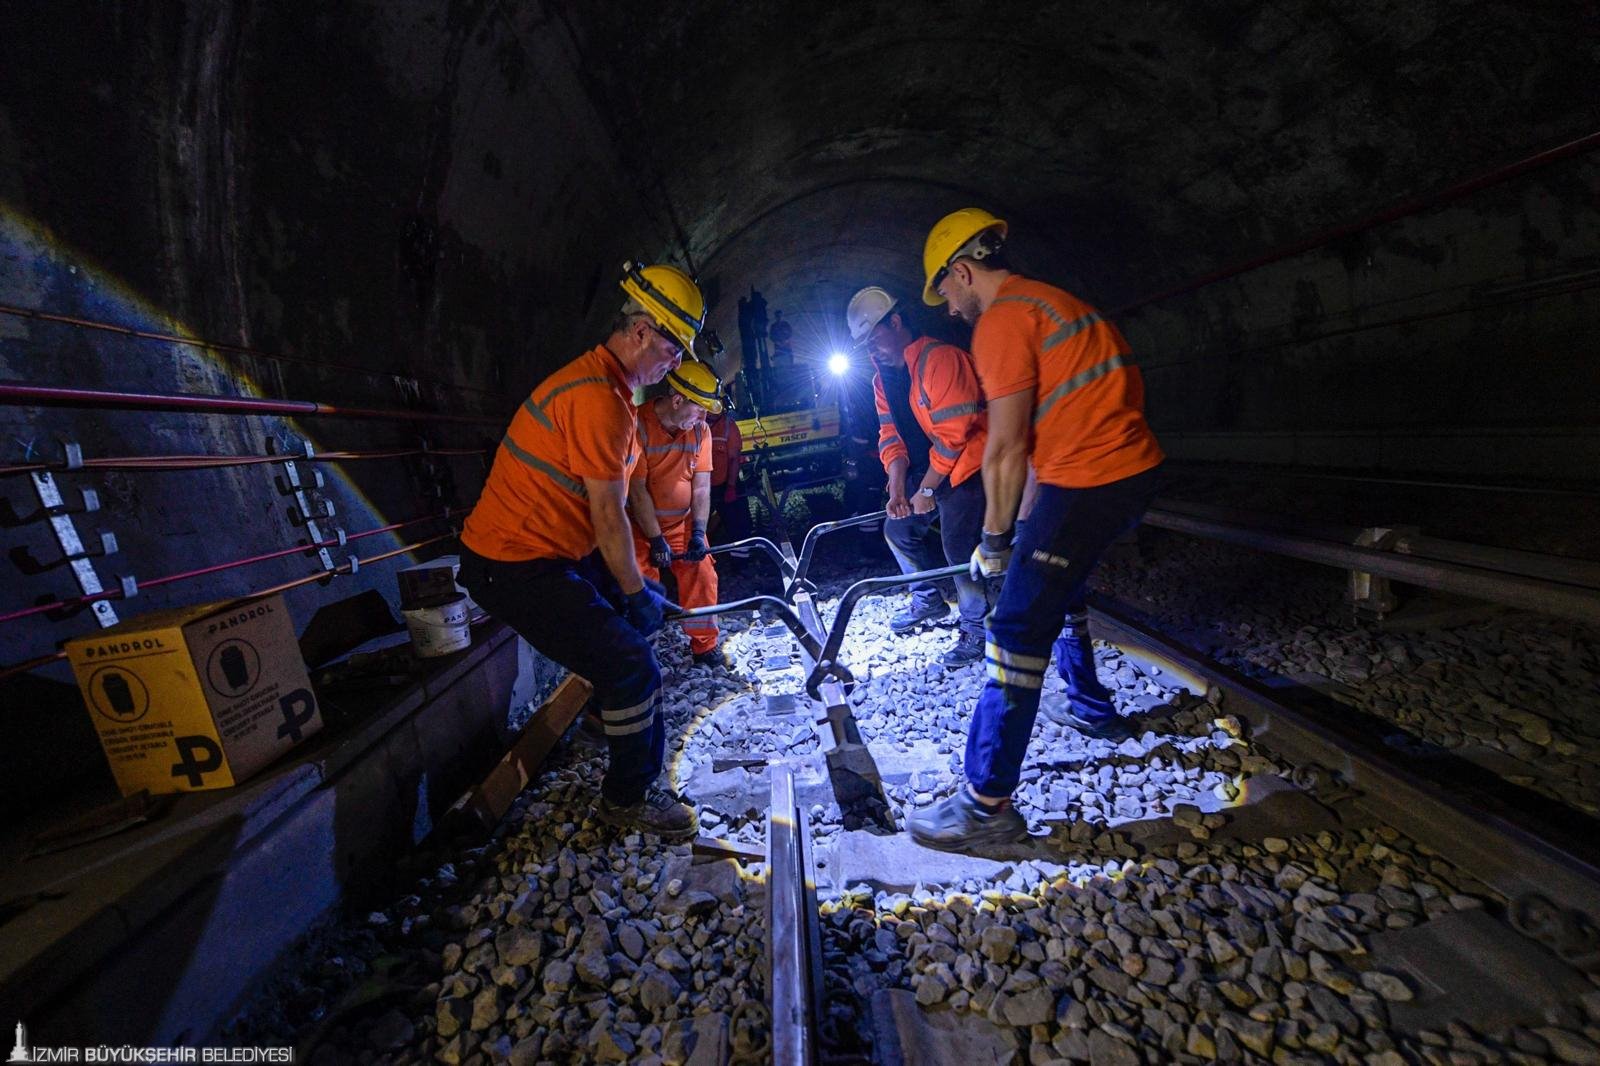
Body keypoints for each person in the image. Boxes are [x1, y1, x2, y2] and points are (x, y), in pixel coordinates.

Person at [905, 209, 1165, 850]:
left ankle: (985, 803)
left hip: (1087, 481)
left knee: (1016, 627)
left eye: (947, 293)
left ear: (963, 272)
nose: (950, 310)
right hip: (1127, 473)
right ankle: (1089, 705)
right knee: (1059, 583)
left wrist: (993, 545)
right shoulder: (1057, 303)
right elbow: (1065, 424)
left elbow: (1005, 448)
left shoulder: (1001, 323)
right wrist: (1023, 533)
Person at [456, 261, 707, 839]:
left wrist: (633, 592)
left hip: (544, 552)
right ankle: (628, 799)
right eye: (673, 349)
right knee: (630, 661)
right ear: (642, 331)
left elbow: (602, 516)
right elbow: (607, 514)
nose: (676, 364)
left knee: (627, 641)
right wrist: (632, 588)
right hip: (513, 564)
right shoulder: (601, 400)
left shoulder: (606, 387)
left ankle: (606, 720)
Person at [847, 285, 994, 667]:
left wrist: (927, 489)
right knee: (898, 531)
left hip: (970, 467)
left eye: (873, 337)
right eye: (863, 344)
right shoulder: (882, 380)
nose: (870, 349)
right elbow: (890, 435)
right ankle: (928, 599)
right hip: (928, 470)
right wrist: (897, 488)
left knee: (959, 547)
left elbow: (954, 436)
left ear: (895, 323)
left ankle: (978, 630)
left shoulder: (940, 359)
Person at [629, 361, 729, 668]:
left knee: (702, 573)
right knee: (639, 585)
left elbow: (701, 488)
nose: (705, 418)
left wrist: (698, 532)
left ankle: (704, 647)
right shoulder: (637, 425)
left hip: (681, 524)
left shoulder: (700, 432)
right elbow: (636, 489)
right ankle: (642, 655)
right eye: (700, 410)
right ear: (677, 400)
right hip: (638, 528)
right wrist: (656, 539)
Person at [707, 405, 750, 544]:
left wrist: (731, 487)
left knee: (737, 523)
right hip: (702, 486)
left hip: (724, 484)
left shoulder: (728, 426)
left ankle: (740, 561)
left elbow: (734, 459)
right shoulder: (695, 424)